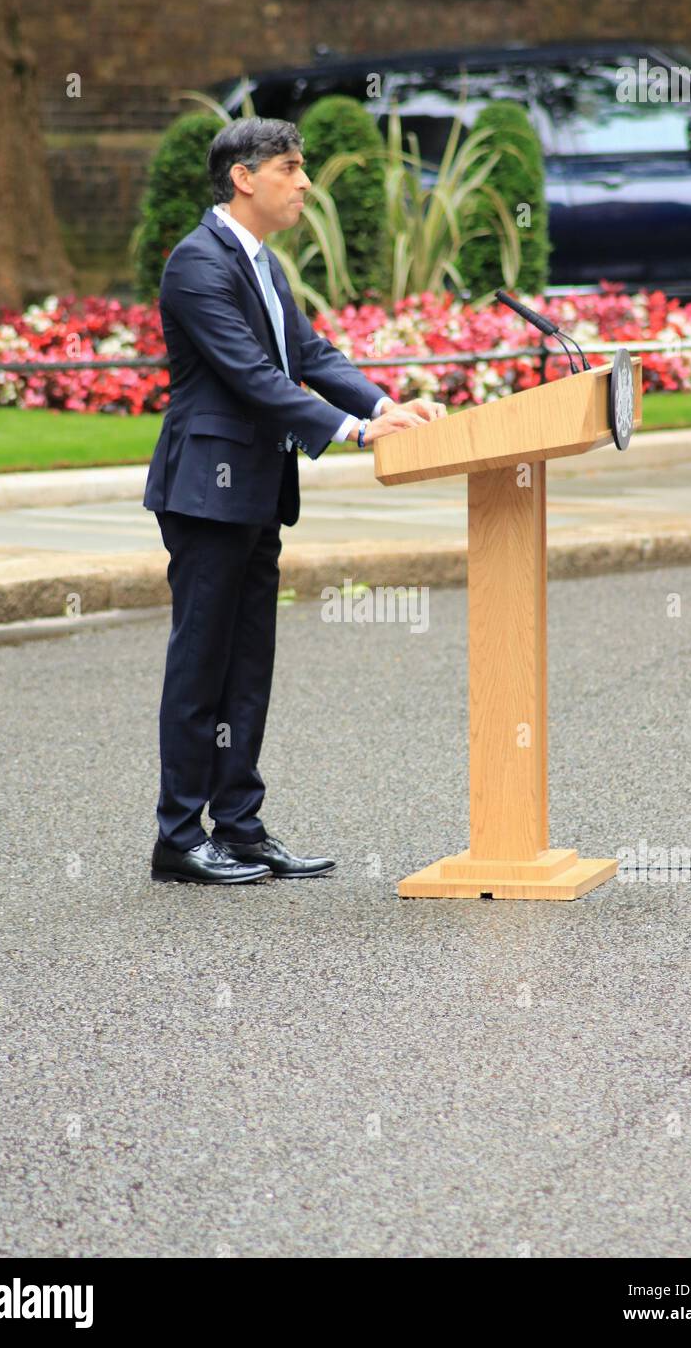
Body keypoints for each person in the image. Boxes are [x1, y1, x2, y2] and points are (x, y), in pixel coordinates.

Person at [143, 116, 445, 886]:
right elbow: (250, 375)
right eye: (290, 167)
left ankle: (239, 827)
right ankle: (179, 836)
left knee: (247, 666)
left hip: (255, 493)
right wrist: (351, 431)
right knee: (200, 664)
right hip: (205, 495)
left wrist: (383, 407)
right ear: (244, 177)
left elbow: (308, 355)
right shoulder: (196, 263)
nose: (305, 182)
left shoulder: (262, 263)